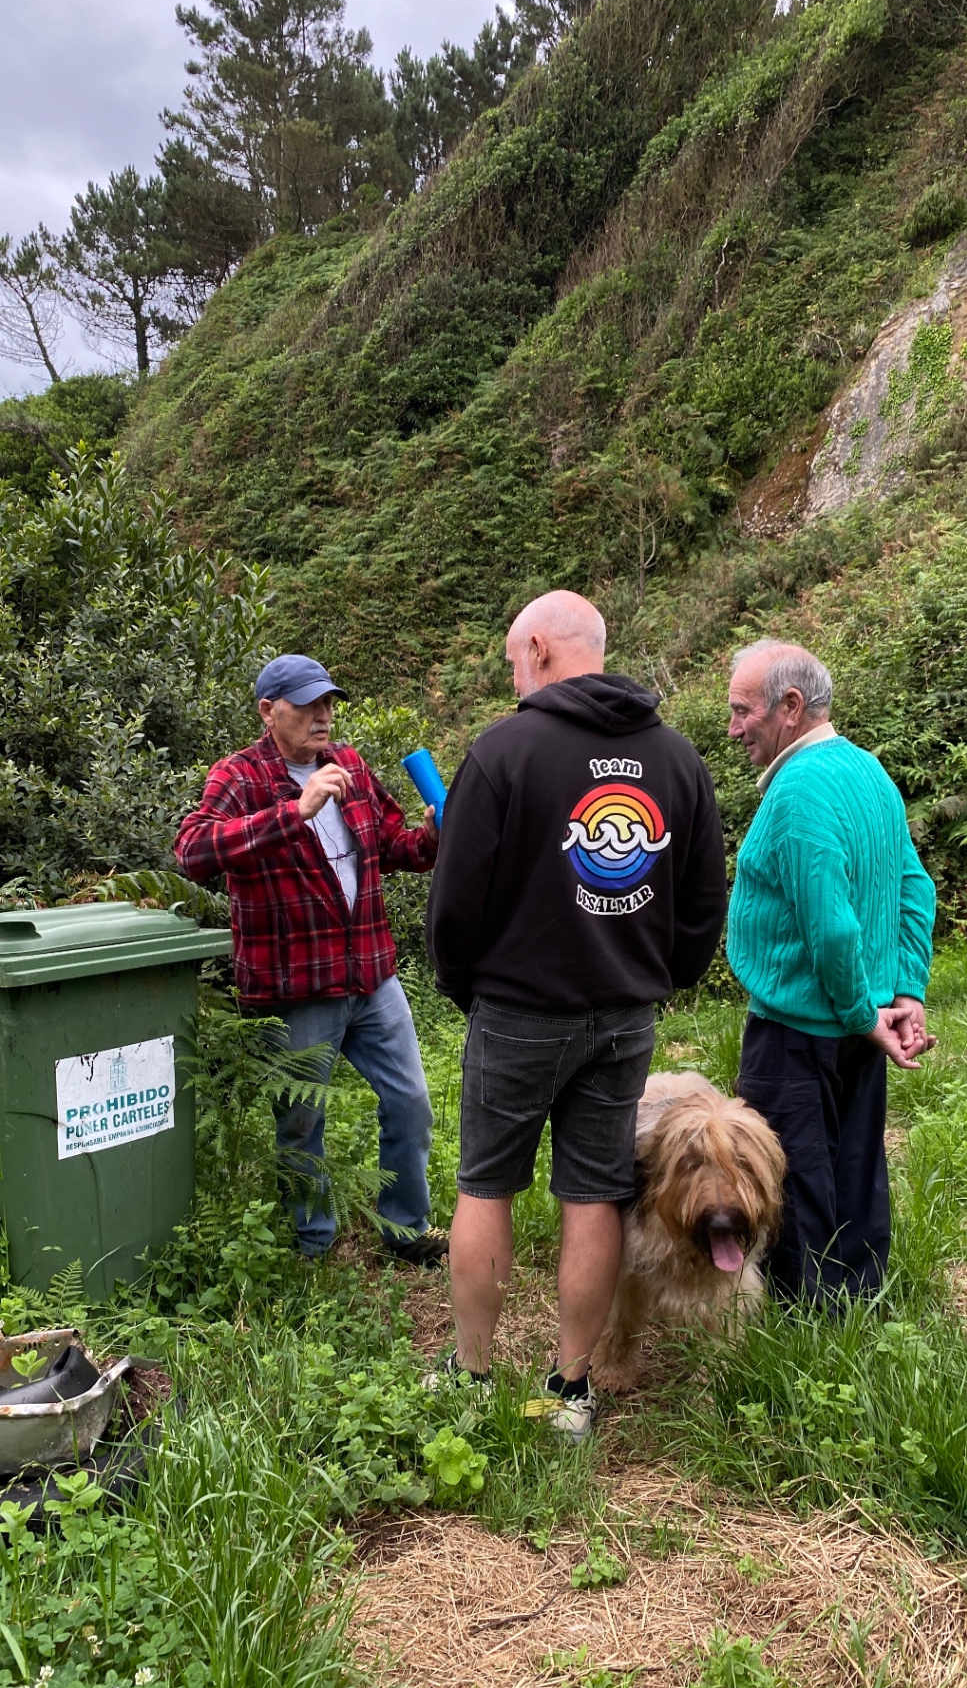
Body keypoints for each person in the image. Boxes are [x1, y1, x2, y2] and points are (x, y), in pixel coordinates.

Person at [426, 592, 727, 1437]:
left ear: (536, 647)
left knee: (486, 1184)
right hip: (624, 1014)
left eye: (513, 658)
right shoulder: (676, 759)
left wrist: (468, 987)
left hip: (519, 1008)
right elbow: (705, 900)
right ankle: (567, 1394)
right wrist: (658, 975)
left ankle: (473, 1379)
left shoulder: (504, 750)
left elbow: (455, 903)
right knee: (592, 1195)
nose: (513, 674)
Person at [175, 653, 447, 1265]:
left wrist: (431, 837)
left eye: (327, 703)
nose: (322, 717)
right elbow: (191, 851)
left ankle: (406, 1233)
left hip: (371, 976)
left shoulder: (347, 763)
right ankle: (312, 1246)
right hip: (296, 987)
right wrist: (293, 813)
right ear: (269, 711)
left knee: (411, 1103)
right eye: (306, 706)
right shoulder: (240, 777)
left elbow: (391, 844)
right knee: (302, 1124)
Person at [725, 639, 936, 1304]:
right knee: (855, 1164)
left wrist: (858, 1013)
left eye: (741, 712)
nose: (733, 731)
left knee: (789, 1179)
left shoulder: (799, 791)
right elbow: (914, 886)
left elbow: (832, 924)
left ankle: (807, 1331)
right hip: (857, 1019)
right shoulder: (868, 771)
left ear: (790, 707)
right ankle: (863, 1302)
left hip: (800, 1028)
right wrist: (903, 995)